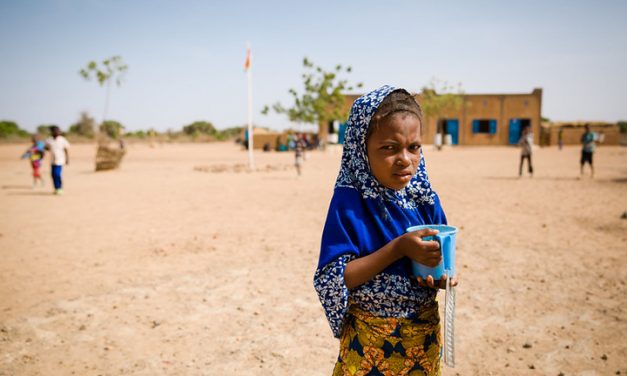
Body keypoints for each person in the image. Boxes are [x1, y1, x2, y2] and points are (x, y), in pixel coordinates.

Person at [313, 86, 456, 376]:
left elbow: (438, 266)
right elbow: (336, 278)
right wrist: (398, 247)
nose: (405, 159)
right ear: (360, 150)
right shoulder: (350, 203)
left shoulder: (424, 200)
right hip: (368, 346)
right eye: (389, 148)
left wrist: (441, 279)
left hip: (422, 342)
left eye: (414, 147)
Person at [45, 126, 70, 195]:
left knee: (57, 174)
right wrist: (46, 148)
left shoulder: (62, 140)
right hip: (52, 160)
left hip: (60, 160)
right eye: (55, 131)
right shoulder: (49, 140)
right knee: (53, 175)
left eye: (58, 131)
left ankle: (59, 187)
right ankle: (56, 188)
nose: (57, 132)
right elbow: (46, 148)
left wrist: (67, 159)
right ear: (52, 132)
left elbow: (66, 149)